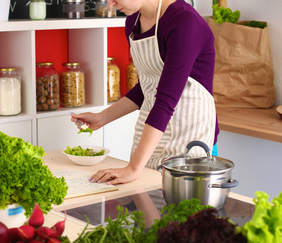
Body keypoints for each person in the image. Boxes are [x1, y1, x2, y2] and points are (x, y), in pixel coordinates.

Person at [71, 0, 219, 185]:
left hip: (191, 141)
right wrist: (102, 118)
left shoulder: (184, 22)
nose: (110, 3)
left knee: (181, 211)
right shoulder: (133, 22)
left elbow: (166, 98)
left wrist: (133, 168)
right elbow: (148, 85)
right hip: (150, 139)